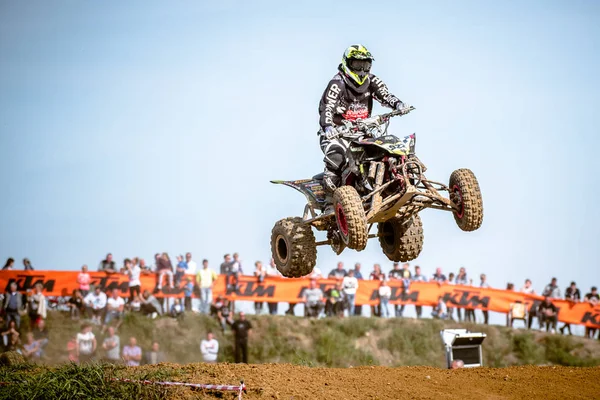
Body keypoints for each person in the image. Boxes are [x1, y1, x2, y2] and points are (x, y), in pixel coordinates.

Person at [318, 44, 408, 204]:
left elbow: (385, 95)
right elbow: (327, 106)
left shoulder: (371, 80)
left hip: (363, 132)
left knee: (385, 151)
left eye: (365, 65)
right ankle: (329, 200)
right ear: (347, 63)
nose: (361, 70)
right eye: (357, 65)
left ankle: (395, 182)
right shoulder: (337, 83)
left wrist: (399, 105)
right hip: (338, 133)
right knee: (336, 156)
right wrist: (328, 126)